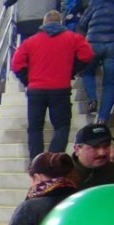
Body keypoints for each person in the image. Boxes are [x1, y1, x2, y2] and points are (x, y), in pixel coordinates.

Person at [11, 9, 94, 161]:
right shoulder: (73, 38)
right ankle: (53, 161)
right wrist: (72, 70)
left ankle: (37, 163)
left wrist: (27, 80)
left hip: (36, 90)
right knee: (62, 127)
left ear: (44, 23)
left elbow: (16, 64)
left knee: (35, 129)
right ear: (61, 22)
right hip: (60, 89)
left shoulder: (30, 41)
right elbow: (87, 55)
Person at [77, 0, 114, 118]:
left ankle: (92, 100)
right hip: (112, 46)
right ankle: (102, 118)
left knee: (86, 71)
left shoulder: (95, 3)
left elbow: (82, 23)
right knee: (110, 83)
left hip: (93, 43)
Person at [72, 123, 114, 188]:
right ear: (77, 150)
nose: (102, 153)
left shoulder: (111, 171)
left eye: (106, 146)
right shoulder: (62, 176)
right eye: (95, 147)